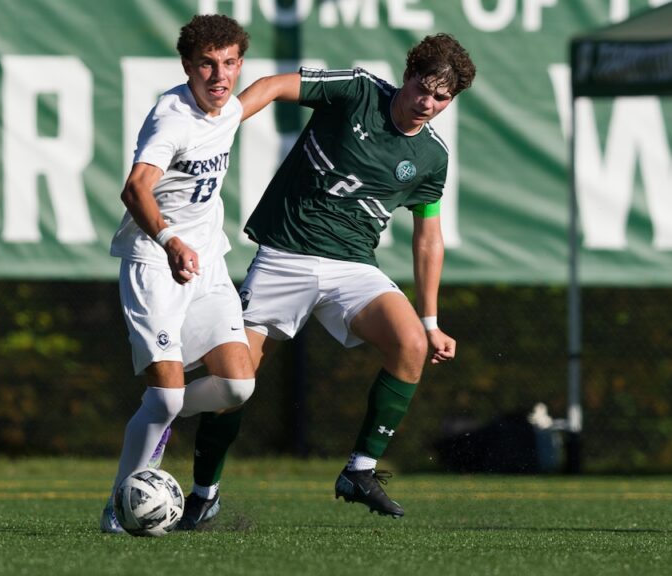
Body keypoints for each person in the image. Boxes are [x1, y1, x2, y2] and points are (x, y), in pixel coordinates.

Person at [187, 33, 475, 524]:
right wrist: (223, 122)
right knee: (233, 384)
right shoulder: (359, 90)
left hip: (353, 268)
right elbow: (277, 85)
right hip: (284, 257)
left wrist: (430, 320)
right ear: (406, 77)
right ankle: (203, 494)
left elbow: (428, 238)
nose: (427, 103)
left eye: (441, 97)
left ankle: (359, 470)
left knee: (410, 345)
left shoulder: (432, 156)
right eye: (421, 89)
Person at [101, 14, 257, 533]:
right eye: (208, 64)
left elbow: (270, 92)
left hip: (208, 264)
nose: (220, 75)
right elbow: (135, 189)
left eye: (230, 62)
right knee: (166, 396)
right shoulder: (172, 118)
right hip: (156, 263)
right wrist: (170, 241)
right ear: (187, 66)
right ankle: (117, 508)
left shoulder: (229, 106)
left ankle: (159, 418)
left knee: (237, 387)